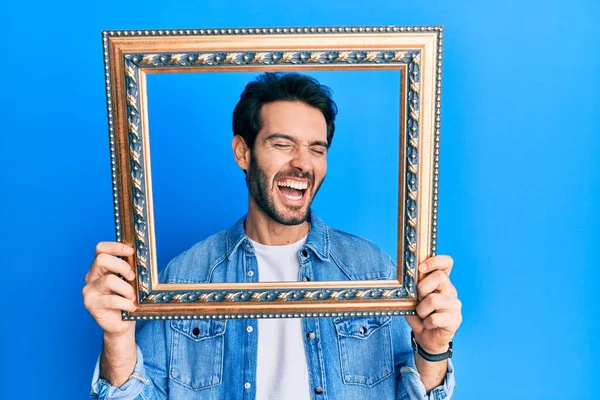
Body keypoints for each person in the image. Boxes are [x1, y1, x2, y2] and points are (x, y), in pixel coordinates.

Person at [84, 72, 462, 399]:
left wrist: (432, 349)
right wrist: (117, 338)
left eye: (317, 148)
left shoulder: (374, 270)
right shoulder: (185, 275)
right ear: (242, 152)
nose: (302, 162)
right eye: (282, 144)